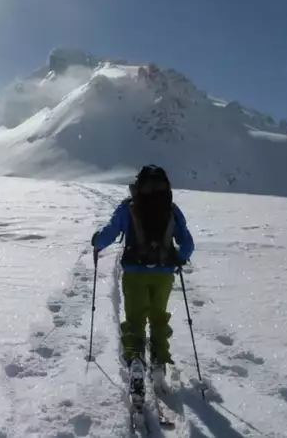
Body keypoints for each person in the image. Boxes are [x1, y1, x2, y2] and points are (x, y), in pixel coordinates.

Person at [91, 165, 194, 401]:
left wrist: (97, 242)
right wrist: (179, 257)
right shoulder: (172, 210)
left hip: (135, 273)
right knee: (158, 317)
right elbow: (187, 242)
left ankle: (136, 361)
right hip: (164, 274)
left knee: (135, 321)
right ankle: (159, 363)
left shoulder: (129, 207)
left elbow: (109, 232)